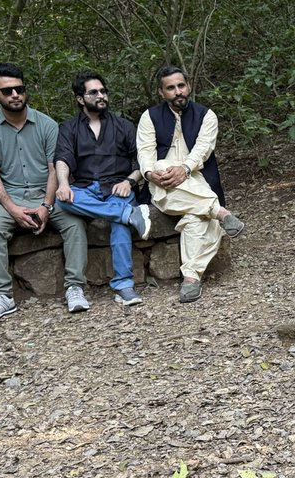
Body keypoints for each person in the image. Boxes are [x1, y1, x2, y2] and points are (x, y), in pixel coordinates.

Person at [0, 63, 90, 320]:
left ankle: (75, 287)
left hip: (46, 192)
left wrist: (46, 206)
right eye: (7, 91)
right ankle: (3, 295)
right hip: (10, 197)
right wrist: (13, 209)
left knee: (74, 222)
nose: (15, 94)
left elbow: (54, 170)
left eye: (20, 89)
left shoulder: (47, 124)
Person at [136, 65, 244, 304]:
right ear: (162, 92)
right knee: (163, 166)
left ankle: (191, 279)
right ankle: (219, 211)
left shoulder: (207, 115)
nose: (178, 92)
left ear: (189, 86)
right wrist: (149, 173)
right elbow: (145, 152)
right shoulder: (149, 117)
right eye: (171, 88)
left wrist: (184, 169)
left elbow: (202, 150)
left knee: (198, 218)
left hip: (195, 176)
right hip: (161, 180)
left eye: (181, 86)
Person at [54, 70, 152, 306]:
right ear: (80, 99)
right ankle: (130, 215)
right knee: (62, 200)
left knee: (118, 224)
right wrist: (64, 184)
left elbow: (143, 161)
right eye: (94, 92)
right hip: (86, 189)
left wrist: (129, 181)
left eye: (103, 91)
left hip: (118, 187)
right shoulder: (69, 128)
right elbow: (63, 159)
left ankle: (124, 286)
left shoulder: (124, 126)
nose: (101, 96)